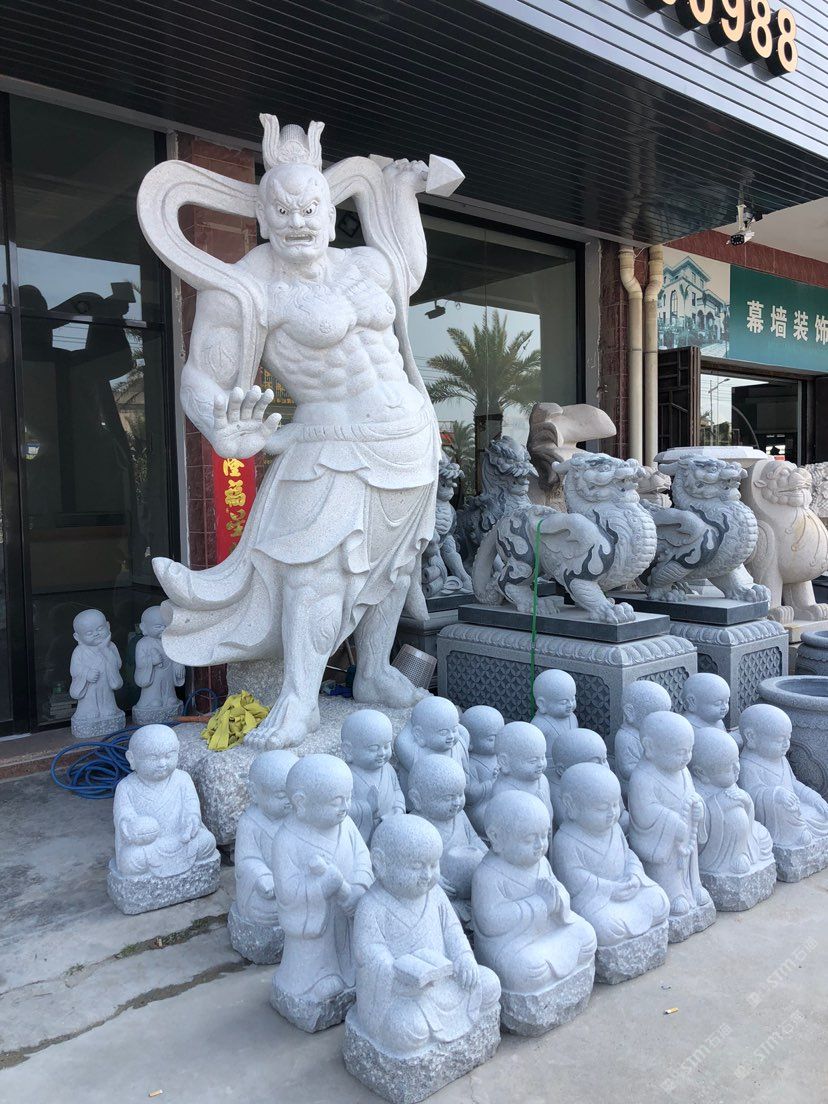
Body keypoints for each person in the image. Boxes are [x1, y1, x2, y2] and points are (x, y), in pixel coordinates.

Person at [147, 117, 449, 748]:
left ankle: (373, 671)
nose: (297, 222)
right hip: (329, 446)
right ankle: (299, 700)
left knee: (394, 565)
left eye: (310, 208)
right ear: (263, 214)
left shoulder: (365, 264)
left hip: (411, 438)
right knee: (314, 569)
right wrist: (221, 431)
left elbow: (410, 270)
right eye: (282, 210)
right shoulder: (244, 288)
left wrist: (404, 194)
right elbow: (200, 378)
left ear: (330, 213)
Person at [349, 814, 499, 1058]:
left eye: (433, 865)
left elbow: (452, 931)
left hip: (443, 981)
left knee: (490, 984)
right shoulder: (372, 905)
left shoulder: (435, 894)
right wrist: (398, 975)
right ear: (380, 863)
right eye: (417, 866)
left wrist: (464, 958)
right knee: (410, 1029)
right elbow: (369, 955)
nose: (428, 875)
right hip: (402, 994)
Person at [113, 725, 217, 878]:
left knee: (207, 841)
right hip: (149, 846)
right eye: (153, 758)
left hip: (181, 839)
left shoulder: (183, 779)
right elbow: (124, 817)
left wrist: (191, 820)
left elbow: (191, 807)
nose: (162, 763)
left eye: (168, 756)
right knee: (131, 860)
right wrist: (135, 826)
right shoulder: (126, 787)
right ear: (132, 758)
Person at [340, 709, 404, 844]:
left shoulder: (388, 769)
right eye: (373, 748)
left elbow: (397, 791)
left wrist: (398, 809)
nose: (382, 753)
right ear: (348, 750)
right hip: (364, 831)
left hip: (390, 823)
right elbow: (342, 808)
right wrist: (367, 807)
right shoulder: (346, 776)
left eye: (386, 746)